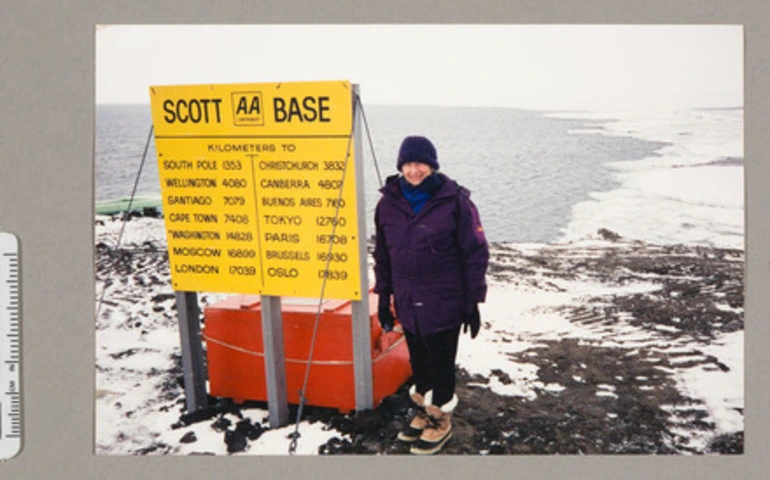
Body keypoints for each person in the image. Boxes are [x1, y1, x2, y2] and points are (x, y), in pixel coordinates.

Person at [373, 135, 489, 455]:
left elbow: (475, 253)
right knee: (419, 360)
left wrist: (472, 302)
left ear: (432, 166)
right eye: (409, 164)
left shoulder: (455, 201)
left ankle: (441, 418)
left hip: (445, 299)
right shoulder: (387, 205)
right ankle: (425, 410)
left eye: (420, 164)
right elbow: (383, 256)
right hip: (408, 301)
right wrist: (384, 299)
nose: (414, 171)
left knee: (441, 361)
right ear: (401, 166)